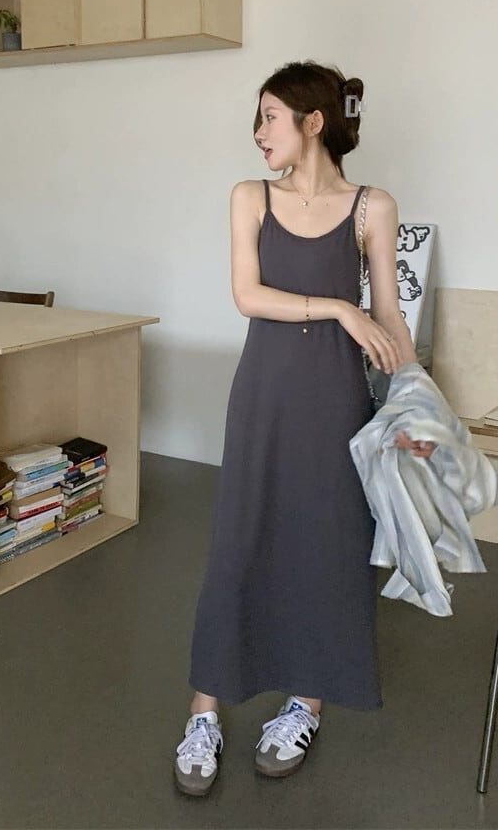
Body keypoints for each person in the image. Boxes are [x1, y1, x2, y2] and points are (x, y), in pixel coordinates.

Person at [174, 61, 434, 796]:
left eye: (270, 117)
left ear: (313, 121)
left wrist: (416, 402)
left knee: (327, 545)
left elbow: (389, 315)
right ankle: (204, 711)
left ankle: (304, 703)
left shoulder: (372, 207)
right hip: (264, 395)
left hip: (336, 400)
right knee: (239, 541)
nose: (259, 133)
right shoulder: (250, 196)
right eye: (258, 118)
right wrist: (338, 308)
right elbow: (248, 295)